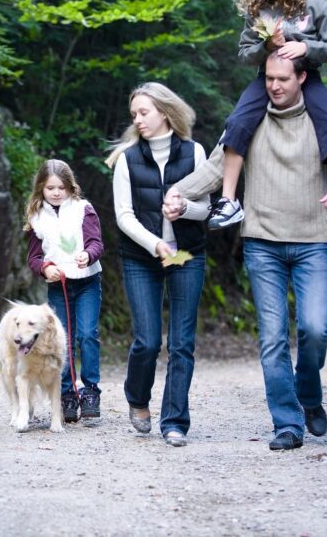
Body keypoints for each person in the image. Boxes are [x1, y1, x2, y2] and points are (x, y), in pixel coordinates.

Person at [165, 53, 327, 450]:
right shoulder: (250, 119)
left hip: (314, 241)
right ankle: (288, 424)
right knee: (273, 338)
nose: (275, 86)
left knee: (314, 330)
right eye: (269, 78)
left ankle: (308, 394)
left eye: (283, 79)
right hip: (262, 244)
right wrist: (178, 192)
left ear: (302, 77)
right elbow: (214, 168)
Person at [202, 0, 327, 230]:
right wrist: (266, 46)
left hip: (306, 77)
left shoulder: (317, 5)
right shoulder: (259, 8)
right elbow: (245, 53)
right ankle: (227, 201)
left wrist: (304, 48)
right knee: (236, 123)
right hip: (266, 78)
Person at [105, 83, 211, 447]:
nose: (137, 119)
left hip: (188, 255)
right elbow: (123, 216)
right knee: (147, 341)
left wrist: (185, 210)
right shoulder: (127, 158)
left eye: (143, 112)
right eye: (134, 114)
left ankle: (175, 422)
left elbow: (206, 209)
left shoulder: (195, 152)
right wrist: (155, 244)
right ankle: (137, 398)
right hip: (141, 258)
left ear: (164, 112)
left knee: (182, 343)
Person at [25, 159, 104, 423]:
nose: (56, 193)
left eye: (61, 187)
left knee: (87, 334)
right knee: (63, 341)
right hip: (58, 286)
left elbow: (96, 243)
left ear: (71, 188)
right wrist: (45, 268)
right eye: (50, 188)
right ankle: (67, 394)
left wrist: (87, 254)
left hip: (86, 282)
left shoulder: (84, 209)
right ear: (42, 189)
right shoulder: (36, 217)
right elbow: (34, 257)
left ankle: (91, 392)